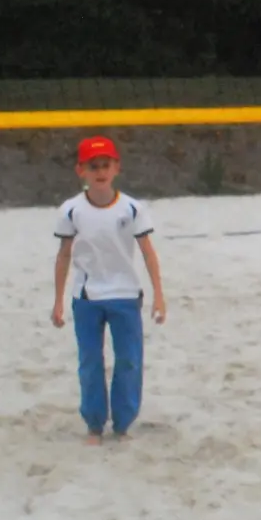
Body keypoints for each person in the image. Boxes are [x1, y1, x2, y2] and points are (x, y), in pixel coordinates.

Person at [51, 136, 167, 445]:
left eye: (106, 165)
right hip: (87, 297)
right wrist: (58, 301)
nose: (100, 171)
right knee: (90, 362)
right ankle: (93, 423)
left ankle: (123, 422)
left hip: (126, 295)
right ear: (81, 171)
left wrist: (159, 295)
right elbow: (64, 255)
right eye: (93, 166)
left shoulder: (131, 209)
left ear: (117, 168)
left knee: (129, 360)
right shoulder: (71, 210)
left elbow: (148, 252)